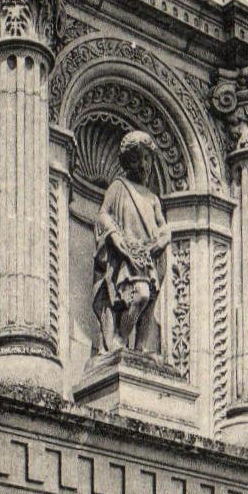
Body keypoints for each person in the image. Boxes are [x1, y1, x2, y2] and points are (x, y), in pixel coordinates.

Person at [92, 130, 171, 353]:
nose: (144, 164)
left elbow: (163, 225)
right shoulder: (118, 187)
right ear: (128, 162)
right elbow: (103, 215)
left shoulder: (153, 198)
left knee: (149, 303)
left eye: (147, 158)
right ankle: (119, 337)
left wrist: (165, 237)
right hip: (128, 254)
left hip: (150, 256)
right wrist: (116, 238)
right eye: (138, 158)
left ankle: (141, 348)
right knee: (141, 295)